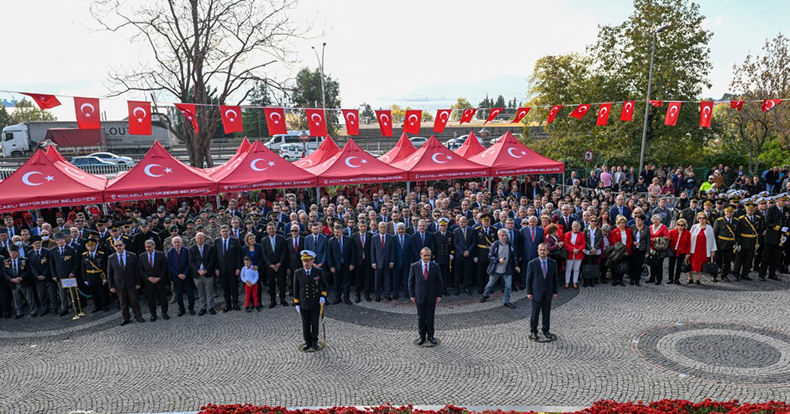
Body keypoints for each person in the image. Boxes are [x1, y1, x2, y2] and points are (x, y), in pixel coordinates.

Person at [293, 250, 327, 351]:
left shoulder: (318, 272)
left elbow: (325, 286)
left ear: (312, 261)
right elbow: (295, 288)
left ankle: (314, 341)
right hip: (304, 303)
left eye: (308, 261)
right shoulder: (298, 272)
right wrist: (297, 303)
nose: (306, 263)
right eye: (304, 261)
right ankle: (307, 341)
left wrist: (323, 297)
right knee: (305, 323)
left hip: (315, 302)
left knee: (315, 323)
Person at [408, 247, 443, 346]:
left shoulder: (435, 266)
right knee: (421, 317)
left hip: (432, 296)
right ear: (421, 255)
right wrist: (411, 295)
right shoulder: (414, 266)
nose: (427, 257)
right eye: (425, 255)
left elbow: (440, 282)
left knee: (430, 317)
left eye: (429, 255)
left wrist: (439, 295)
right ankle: (422, 336)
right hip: (419, 296)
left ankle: (431, 336)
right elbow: (410, 282)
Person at [526, 243, 559, 341]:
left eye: (544, 250)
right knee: (534, 313)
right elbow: (528, 279)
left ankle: (546, 330)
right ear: (537, 251)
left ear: (548, 251)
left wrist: (555, 292)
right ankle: (533, 331)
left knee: (546, 313)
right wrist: (529, 292)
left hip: (548, 292)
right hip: (536, 292)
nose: (542, 252)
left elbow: (555, 279)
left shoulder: (553, 263)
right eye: (540, 250)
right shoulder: (532, 263)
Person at [107, 239, 144, 325]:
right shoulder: (111, 258)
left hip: (131, 283)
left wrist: (138, 282)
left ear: (124, 245)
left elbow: (137, 271)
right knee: (123, 303)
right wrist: (111, 286)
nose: (118, 247)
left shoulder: (132, 255)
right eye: (116, 246)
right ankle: (126, 318)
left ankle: (138, 316)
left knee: (134, 301)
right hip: (119, 284)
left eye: (120, 245)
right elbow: (109, 273)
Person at [480, 229, 519, 308]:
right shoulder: (495, 245)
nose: (504, 237)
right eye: (502, 235)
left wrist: (516, 265)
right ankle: (485, 295)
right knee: (490, 284)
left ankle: (506, 301)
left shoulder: (510, 244)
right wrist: (498, 260)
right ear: (498, 236)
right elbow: (490, 256)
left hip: (506, 269)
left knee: (508, 286)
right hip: (496, 269)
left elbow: (513, 255)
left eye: (505, 235)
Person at [759, 194, 789, 281]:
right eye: (783, 201)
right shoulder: (771, 209)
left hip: (781, 238)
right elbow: (767, 222)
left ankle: (772, 273)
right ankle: (762, 274)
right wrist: (779, 228)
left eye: (785, 201)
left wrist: (787, 234)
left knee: (777, 257)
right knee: (766, 256)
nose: (784, 203)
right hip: (771, 237)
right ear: (778, 201)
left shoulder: (787, 210)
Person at [215, 225, 242, 312]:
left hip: (233, 269)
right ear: (220, 232)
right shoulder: (217, 241)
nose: (225, 233)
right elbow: (215, 256)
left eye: (226, 231)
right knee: (225, 288)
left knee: (234, 287)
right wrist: (216, 268)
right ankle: (228, 304)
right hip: (222, 269)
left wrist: (238, 268)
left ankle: (235, 303)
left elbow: (239, 256)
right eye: (223, 231)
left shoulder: (235, 241)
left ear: (229, 232)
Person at [51, 232, 79, 317]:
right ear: (56, 241)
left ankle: (76, 306)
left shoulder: (71, 249)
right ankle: (64, 308)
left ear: (64, 240)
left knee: (73, 293)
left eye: (62, 239)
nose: (60, 241)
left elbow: (76, 262)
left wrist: (73, 272)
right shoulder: (53, 251)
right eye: (58, 240)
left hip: (70, 275)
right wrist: (54, 275)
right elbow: (51, 264)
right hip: (60, 275)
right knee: (62, 294)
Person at [139, 240, 168, 321]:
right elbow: (141, 270)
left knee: (163, 297)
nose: (147, 249)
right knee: (151, 298)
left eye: (149, 247)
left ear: (154, 246)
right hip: (148, 281)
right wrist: (148, 278)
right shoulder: (142, 256)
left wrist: (159, 278)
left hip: (160, 280)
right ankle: (153, 314)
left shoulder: (161, 255)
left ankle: (164, 312)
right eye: (146, 247)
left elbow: (164, 268)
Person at [3, 245, 35, 318]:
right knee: (17, 298)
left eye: (14, 252)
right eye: (11, 253)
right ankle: (19, 312)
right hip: (13, 282)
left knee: (29, 297)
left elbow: (28, 270)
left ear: (18, 253)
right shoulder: (6, 262)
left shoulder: (24, 260)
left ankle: (33, 311)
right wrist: (11, 279)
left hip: (24, 281)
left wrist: (21, 277)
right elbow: (5, 272)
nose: (12, 254)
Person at [327, 224, 355, 305]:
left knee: (346, 283)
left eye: (338, 232)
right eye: (335, 232)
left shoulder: (349, 240)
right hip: (336, 266)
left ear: (342, 232)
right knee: (337, 283)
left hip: (346, 265)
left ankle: (346, 298)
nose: (336, 234)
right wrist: (331, 266)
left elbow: (353, 253)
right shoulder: (331, 241)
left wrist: (352, 264)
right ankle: (337, 297)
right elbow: (329, 255)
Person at [189, 232, 216, 316]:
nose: (199, 240)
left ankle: (211, 307)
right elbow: (191, 262)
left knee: (209, 292)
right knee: (201, 292)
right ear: (195, 239)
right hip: (197, 275)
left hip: (208, 273)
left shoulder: (209, 248)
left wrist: (206, 270)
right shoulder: (191, 249)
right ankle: (203, 307)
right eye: (198, 238)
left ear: (204, 239)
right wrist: (198, 270)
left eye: (201, 238)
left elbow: (212, 260)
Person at [81, 236, 110, 312]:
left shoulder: (101, 254)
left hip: (99, 275)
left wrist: (106, 277)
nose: (90, 247)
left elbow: (105, 266)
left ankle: (104, 305)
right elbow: (83, 268)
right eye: (88, 246)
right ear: (86, 247)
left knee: (102, 292)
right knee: (94, 293)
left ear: (95, 245)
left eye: (92, 245)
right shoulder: (84, 255)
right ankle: (97, 306)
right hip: (90, 276)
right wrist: (85, 279)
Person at [262, 223, 287, 307]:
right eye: (269, 229)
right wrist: (270, 264)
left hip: (280, 265)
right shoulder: (264, 240)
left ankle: (283, 299)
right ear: (267, 230)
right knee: (271, 284)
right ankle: (272, 300)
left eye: (272, 228)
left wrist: (280, 263)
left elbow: (284, 252)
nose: (271, 230)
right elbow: (264, 254)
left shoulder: (282, 239)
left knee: (282, 283)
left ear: (275, 229)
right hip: (270, 266)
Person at [734, 202, 761, 281]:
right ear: (746, 210)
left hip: (752, 241)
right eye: (749, 210)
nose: (750, 212)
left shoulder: (758, 218)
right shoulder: (741, 219)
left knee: (748, 259)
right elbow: (738, 232)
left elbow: (758, 231)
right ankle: (736, 273)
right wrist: (738, 243)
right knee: (739, 259)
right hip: (743, 241)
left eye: (752, 210)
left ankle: (745, 274)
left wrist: (758, 242)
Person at [167, 236, 194, 316]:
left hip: (186, 275)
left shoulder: (186, 250)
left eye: (178, 242)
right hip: (176, 276)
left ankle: (191, 308)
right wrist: (178, 274)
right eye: (175, 242)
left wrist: (185, 273)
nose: (177, 244)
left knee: (190, 293)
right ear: (172, 243)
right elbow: (169, 265)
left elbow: (189, 263)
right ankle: (181, 309)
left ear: (181, 243)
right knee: (178, 294)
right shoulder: (170, 252)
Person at [29, 235, 55, 316]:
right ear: (32, 245)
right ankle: (44, 309)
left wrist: (44, 274)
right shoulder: (29, 253)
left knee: (52, 294)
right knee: (41, 295)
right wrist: (37, 276)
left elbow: (49, 264)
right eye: (35, 243)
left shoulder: (47, 251)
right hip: (37, 279)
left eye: (38, 243)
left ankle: (54, 308)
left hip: (48, 276)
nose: (37, 245)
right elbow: (31, 266)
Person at [689, 212, 716, 285]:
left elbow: (712, 239)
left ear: (706, 219)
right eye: (700, 218)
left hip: (704, 249)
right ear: (698, 219)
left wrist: (713, 250)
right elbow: (689, 238)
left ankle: (698, 279)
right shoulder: (694, 227)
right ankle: (690, 278)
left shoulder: (709, 228)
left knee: (701, 264)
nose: (702, 219)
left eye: (703, 218)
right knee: (691, 264)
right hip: (694, 249)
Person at [371, 221, 395, 301]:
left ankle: (387, 294)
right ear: (378, 228)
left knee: (387, 279)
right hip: (378, 263)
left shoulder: (391, 237)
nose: (383, 229)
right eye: (381, 227)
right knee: (377, 280)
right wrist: (373, 262)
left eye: (384, 227)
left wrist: (392, 261)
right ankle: (377, 295)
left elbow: (392, 251)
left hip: (387, 262)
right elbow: (372, 251)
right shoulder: (374, 238)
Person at [713, 205, 738, 282]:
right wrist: (714, 245)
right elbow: (715, 234)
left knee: (727, 261)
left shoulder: (736, 221)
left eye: (731, 212)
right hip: (720, 243)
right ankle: (714, 275)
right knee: (717, 260)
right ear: (724, 212)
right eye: (727, 212)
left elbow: (737, 234)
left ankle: (724, 275)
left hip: (730, 244)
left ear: (733, 213)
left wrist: (737, 243)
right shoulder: (719, 220)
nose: (729, 213)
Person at [520, 216, 544, 291]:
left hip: (536, 254)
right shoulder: (523, 230)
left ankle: (534, 284)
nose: (532, 223)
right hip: (526, 253)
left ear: (536, 222)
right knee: (524, 270)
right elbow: (520, 242)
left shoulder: (541, 230)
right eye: (530, 222)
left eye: (533, 222)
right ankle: (523, 283)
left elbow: (541, 242)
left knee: (535, 270)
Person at [474, 214, 496, 294]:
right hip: (481, 254)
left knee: (490, 272)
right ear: (481, 221)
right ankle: (480, 287)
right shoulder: (477, 230)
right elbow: (475, 244)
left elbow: (496, 243)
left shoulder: (494, 230)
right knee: (480, 272)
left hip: (491, 254)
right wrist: (475, 255)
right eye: (484, 221)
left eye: (487, 221)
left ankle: (489, 287)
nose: (486, 223)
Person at [351, 220, 373, 303]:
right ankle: (358, 295)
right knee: (358, 279)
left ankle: (367, 294)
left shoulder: (370, 235)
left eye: (364, 226)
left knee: (368, 278)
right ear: (358, 227)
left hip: (367, 260)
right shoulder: (354, 236)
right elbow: (353, 250)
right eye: (361, 226)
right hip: (358, 260)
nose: (363, 228)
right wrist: (353, 262)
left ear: (367, 227)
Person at [451, 217, 473, 295]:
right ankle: (456, 288)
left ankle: (466, 287)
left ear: (467, 222)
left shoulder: (471, 230)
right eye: (460, 222)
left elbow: (473, 242)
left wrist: (468, 251)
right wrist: (462, 251)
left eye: (463, 222)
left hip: (468, 255)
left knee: (467, 272)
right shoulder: (456, 231)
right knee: (458, 273)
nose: (461, 223)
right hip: (459, 255)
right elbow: (455, 243)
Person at [608, 216, 632, 287]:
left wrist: (625, 249)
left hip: (625, 251)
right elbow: (614, 241)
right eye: (620, 223)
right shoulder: (615, 231)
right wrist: (619, 250)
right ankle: (614, 280)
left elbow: (630, 241)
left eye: (623, 222)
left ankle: (620, 279)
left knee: (623, 265)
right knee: (615, 265)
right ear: (618, 223)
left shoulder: (628, 231)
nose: (622, 224)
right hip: (617, 251)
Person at [392, 223, 413, 299]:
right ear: (397, 230)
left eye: (402, 229)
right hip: (396, 262)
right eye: (399, 229)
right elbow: (392, 251)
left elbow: (411, 251)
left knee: (407, 278)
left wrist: (411, 261)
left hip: (406, 262)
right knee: (395, 278)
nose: (401, 230)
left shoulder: (410, 238)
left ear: (405, 229)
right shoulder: (393, 238)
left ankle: (407, 292)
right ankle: (395, 293)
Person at [647, 214, 669, 284]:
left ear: (660, 220)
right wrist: (651, 240)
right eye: (654, 219)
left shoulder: (663, 227)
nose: (655, 221)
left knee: (659, 264)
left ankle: (659, 279)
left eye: (657, 219)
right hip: (651, 248)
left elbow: (667, 237)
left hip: (660, 248)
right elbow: (647, 236)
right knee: (652, 263)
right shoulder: (650, 227)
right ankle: (652, 278)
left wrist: (656, 239)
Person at [667, 218, 691, 285]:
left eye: (682, 225)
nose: (680, 226)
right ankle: (670, 278)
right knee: (671, 265)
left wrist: (688, 253)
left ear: (685, 226)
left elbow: (689, 244)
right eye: (678, 224)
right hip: (673, 251)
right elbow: (668, 242)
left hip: (681, 251)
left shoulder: (688, 233)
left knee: (679, 266)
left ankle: (677, 279)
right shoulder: (672, 231)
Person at [628, 212, 649, 286]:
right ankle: (632, 279)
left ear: (643, 221)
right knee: (632, 264)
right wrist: (633, 242)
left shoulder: (646, 228)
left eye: (639, 220)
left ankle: (637, 279)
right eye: (636, 220)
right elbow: (629, 237)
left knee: (639, 265)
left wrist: (647, 251)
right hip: (633, 248)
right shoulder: (632, 227)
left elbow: (648, 240)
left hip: (642, 249)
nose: (637, 222)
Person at [563, 221, 585, 289]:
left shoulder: (582, 234)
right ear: (571, 227)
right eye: (574, 226)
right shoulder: (567, 234)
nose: (575, 227)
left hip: (579, 254)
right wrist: (573, 249)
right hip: (570, 254)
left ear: (579, 227)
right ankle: (567, 282)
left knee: (576, 269)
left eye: (577, 226)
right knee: (568, 269)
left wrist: (578, 250)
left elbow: (583, 243)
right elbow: (566, 244)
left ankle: (575, 281)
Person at [583, 216, 603, 287]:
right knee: (586, 265)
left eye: (595, 221)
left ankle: (591, 280)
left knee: (593, 265)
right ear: (589, 221)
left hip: (596, 250)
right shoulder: (585, 230)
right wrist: (590, 248)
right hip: (587, 250)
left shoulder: (599, 230)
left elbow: (600, 240)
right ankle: (585, 280)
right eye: (592, 221)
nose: (593, 222)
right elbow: (584, 240)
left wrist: (595, 248)